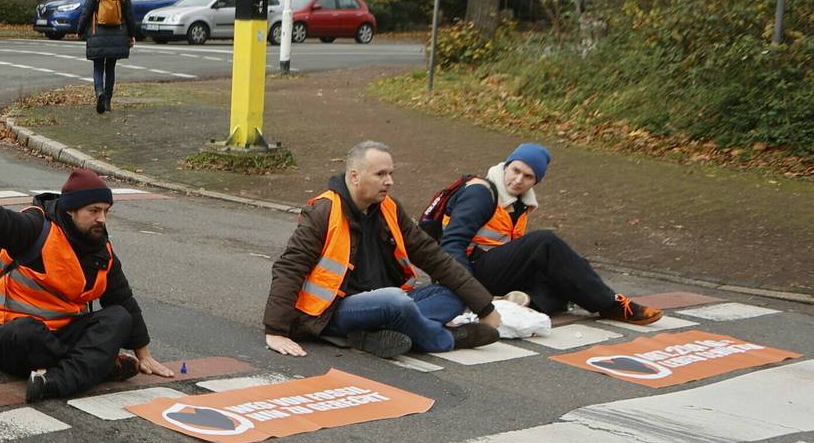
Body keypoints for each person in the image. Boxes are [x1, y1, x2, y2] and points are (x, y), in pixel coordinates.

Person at [0, 168, 178, 401]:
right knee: (28, 331)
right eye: (94, 211)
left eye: (106, 211)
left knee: (118, 317)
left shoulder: (101, 249)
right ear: (71, 210)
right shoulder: (38, 228)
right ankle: (96, 366)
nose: (102, 219)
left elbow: (121, 298)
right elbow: (2, 223)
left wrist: (143, 353)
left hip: (62, 334)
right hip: (10, 337)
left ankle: (52, 382)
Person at [264, 141, 505, 359]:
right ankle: (446, 339)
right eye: (380, 174)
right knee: (394, 301)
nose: (389, 181)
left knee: (453, 293)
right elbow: (290, 267)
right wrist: (276, 330)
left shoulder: (389, 208)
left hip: (386, 300)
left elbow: (432, 255)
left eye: (390, 173)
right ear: (355, 176)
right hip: (330, 312)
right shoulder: (324, 212)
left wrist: (484, 306)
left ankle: (370, 335)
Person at [436, 143, 662, 324]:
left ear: (536, 181)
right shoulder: (481, 193)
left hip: (491, 268)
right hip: (467, 272)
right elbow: (451, 243)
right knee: (545, 242)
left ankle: (525, 303)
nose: (518, 180)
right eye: (515, 170)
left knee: (568, 273)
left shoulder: (519, 202)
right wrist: (468, 291)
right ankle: (610, 305)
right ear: (506, 166)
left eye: (528, 176)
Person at [85, 0, 141, 114]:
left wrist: (79, 30)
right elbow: (130, 16)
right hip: (117, 36)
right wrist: (132, 35)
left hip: (97, 36)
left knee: (98, 67)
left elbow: (86, 12)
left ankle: (99, 93)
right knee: (110, 68)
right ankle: (108, 101)